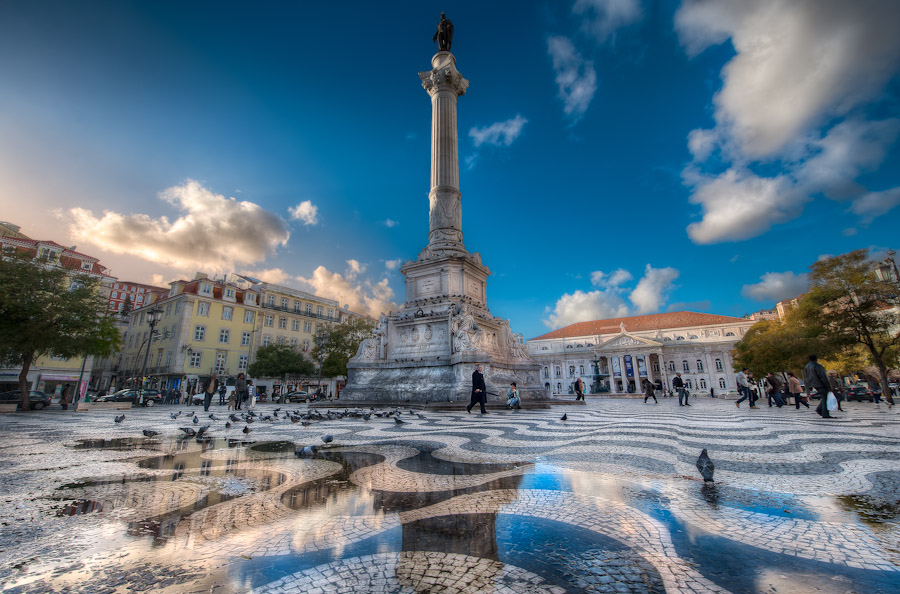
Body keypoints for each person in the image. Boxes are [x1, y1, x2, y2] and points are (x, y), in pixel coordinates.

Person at [804, 354, 833, 419]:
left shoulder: (807, 366)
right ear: (816, 359)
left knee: (824, 397)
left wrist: (809, 386)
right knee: (825, 398)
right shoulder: (818, 366)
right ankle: (824, 412)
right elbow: (823, 377)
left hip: (814, 384)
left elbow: (807, 377)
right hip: (820, 384)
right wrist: (828, 386)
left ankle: (820, 410)